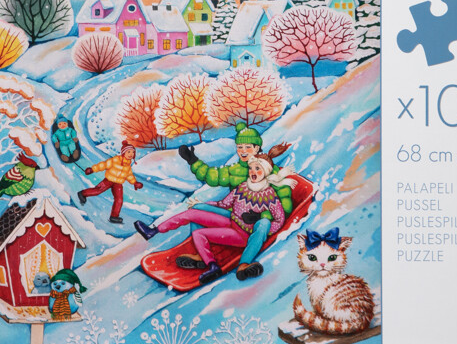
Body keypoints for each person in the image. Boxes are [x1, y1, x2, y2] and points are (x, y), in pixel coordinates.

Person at [136, 147, 296, 285]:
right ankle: (154, 231)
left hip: (243, 234)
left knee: (201, 233)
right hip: (231, 221)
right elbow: (224, 204)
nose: (253, 172)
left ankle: (237, 265)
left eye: (258, 169)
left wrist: (258, 222)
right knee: (193, 212)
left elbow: (279, 219)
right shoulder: (242, 187)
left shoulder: (269, 195)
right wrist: (203, 205)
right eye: (251, 168)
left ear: (265, 173)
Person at [166, 122, 294, 280]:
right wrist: (193, 161)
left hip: (253, 223)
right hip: (233, 215)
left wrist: (261, 216)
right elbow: (213, 176)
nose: (243, 151)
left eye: (248, 147)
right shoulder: (235, 170)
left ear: (257, 148)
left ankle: (244, 264)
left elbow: (284, 203)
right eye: (240, 147)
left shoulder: (269, 171)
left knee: (262, 224)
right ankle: (201, 254)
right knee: (198, 209)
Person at [77, 141, 143, 224]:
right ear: (124, 152)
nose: (131, 154)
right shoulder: (115, 160)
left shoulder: (128, 165)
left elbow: (129, 175)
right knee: (98, 190)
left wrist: (135, 183)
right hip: (108, 180)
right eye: (129, 152)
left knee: (119, 199)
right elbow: (103, 165)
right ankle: (82, 194)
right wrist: (92, 169)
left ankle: (114, 216)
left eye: (133, 152)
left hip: (118, 183)